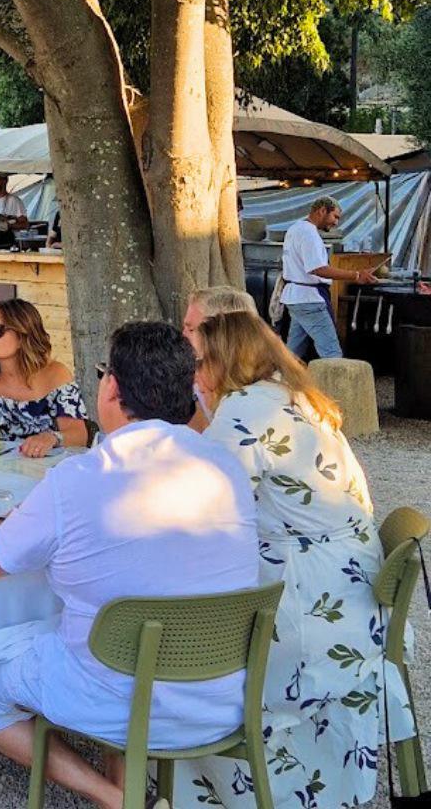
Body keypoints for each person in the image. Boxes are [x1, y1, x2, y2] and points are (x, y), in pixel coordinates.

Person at [0, 322, 259, 809]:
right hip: (220, 698)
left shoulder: (78, 479)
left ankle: (115, 797)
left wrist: (0, 522)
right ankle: (128, 790)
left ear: (112, 386)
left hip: (115, 700)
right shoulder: (226, 467)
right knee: (111, 627)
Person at [179, 310, 412, 808]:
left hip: (314, 601)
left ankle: (234, 790)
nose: (195, 375)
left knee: (205, 661)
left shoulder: (241, 411)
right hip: (357, 584)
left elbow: (204, 508)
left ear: (225, 362)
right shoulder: (300, 397)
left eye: (200, 363)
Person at [0, 298, 89, 456]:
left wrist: (52, 438)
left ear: (22, 337)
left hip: (44, 471)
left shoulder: (55, 374)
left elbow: (79, 435)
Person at [281, 195, 375, 360]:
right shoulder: (309, 233)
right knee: (332, 354)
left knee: (292, 354)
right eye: (335, 216)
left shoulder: (295, 228)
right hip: (309, 300)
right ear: (322, 211)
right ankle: (335, 386)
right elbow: (318, 269)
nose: (336, 222)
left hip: (296, 298)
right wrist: (356, 275)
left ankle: (280, 381)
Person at [181, 286, 257, 431]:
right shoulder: (188, 382)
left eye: (191, 329)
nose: (183, 335)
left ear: (224, 334)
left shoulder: (265, 391)